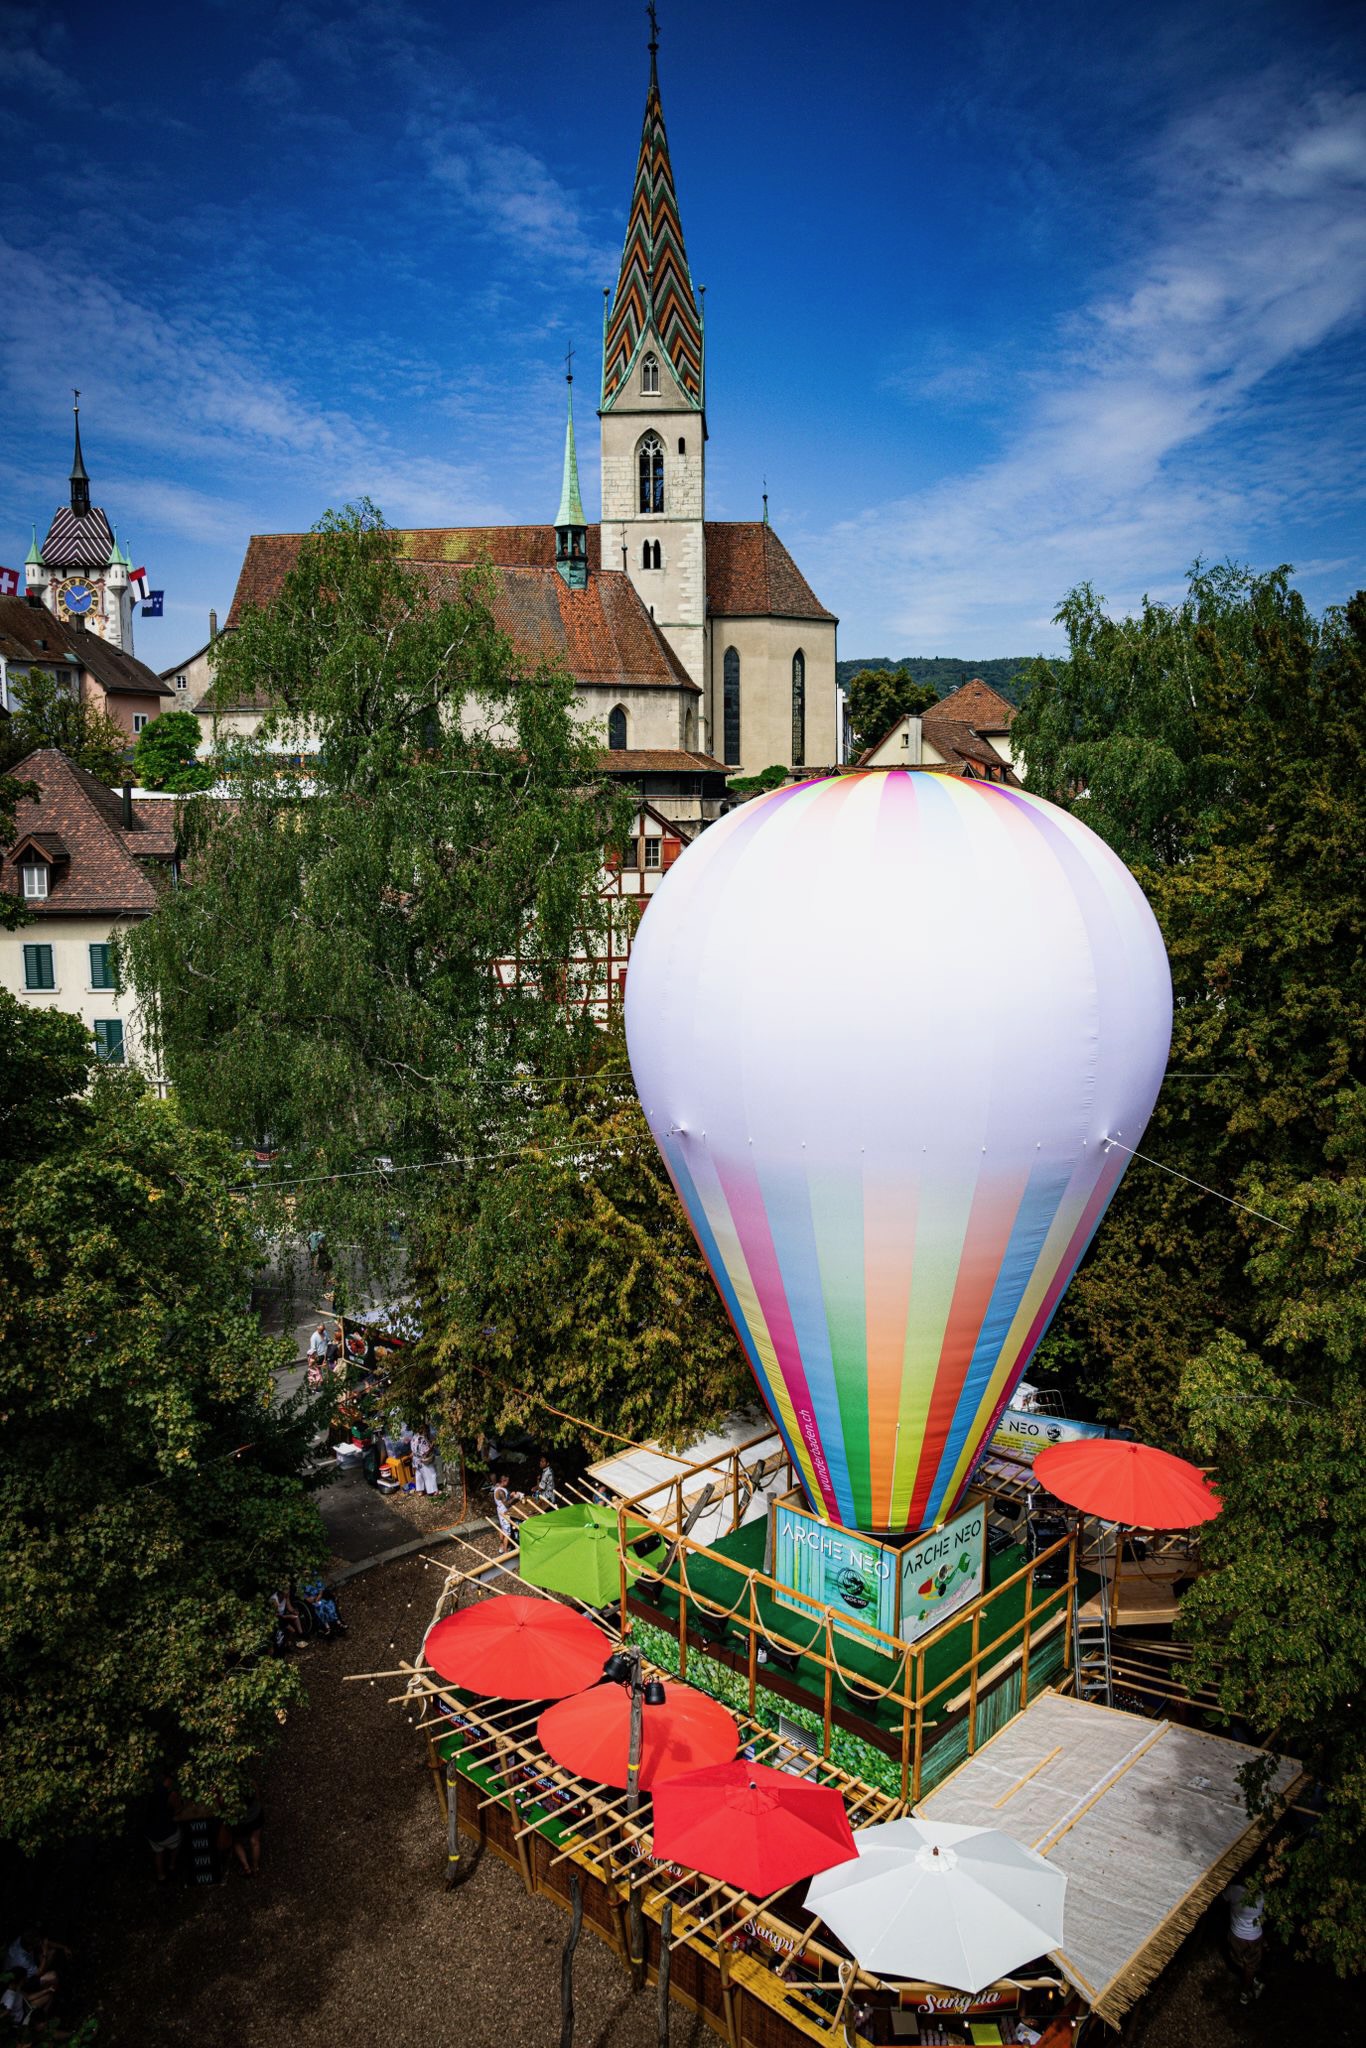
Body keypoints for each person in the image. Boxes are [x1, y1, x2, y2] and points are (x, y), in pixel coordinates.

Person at [1223, 1878, 1265, 2001]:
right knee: (1250, 1965)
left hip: (1236, 1935)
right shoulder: (1261, 1894)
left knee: (1239, 1960)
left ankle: (1250, 1980)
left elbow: (1222, 1899)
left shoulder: (1233, 1890)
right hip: (1254, 1936)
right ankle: (1245, 1992)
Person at [142, 1769, 182, 1882]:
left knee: (158, 1852)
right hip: (166, 1832)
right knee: (178, 1842)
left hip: (150, 1832)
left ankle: (161, 1876)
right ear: (168, 1780)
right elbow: (178, 1810)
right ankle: (172, 1865)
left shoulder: (151, 1790)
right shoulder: (171, 1794)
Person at [231, 1788, 265, 1879]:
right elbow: (255, 1790)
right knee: (255, 1841)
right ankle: (255, 1867)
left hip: (239, 1820)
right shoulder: (246, 1783)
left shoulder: (228, 1789)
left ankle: (246, 1868)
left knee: (237, 1841)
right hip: (255, 1814)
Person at [492, 1473, 521, 1545]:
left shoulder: (498, 1486)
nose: (508, 1483)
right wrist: (515, 1497)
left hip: (500, 1510)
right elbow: (507, 1504)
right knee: (508, 1533)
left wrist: (510, 1495)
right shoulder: (500, 1492)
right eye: (508, 1481)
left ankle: (501, 1546)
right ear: (504, 1480)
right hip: (504, 1512)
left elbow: (503, 1499)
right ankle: (505, 1549)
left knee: (503, 1528)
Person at [411, 1425, 439, 1496]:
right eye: (427, 1430)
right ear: (424, 1430)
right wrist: (432, 1446)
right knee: (431, 1474)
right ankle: (433, 1491)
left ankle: (420, 1491)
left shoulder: (414, 1437)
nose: (428, 1431)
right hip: (423, 1460)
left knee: (419, 1475)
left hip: (415, 1460)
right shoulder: (423, 1439)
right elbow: (425, 1452)